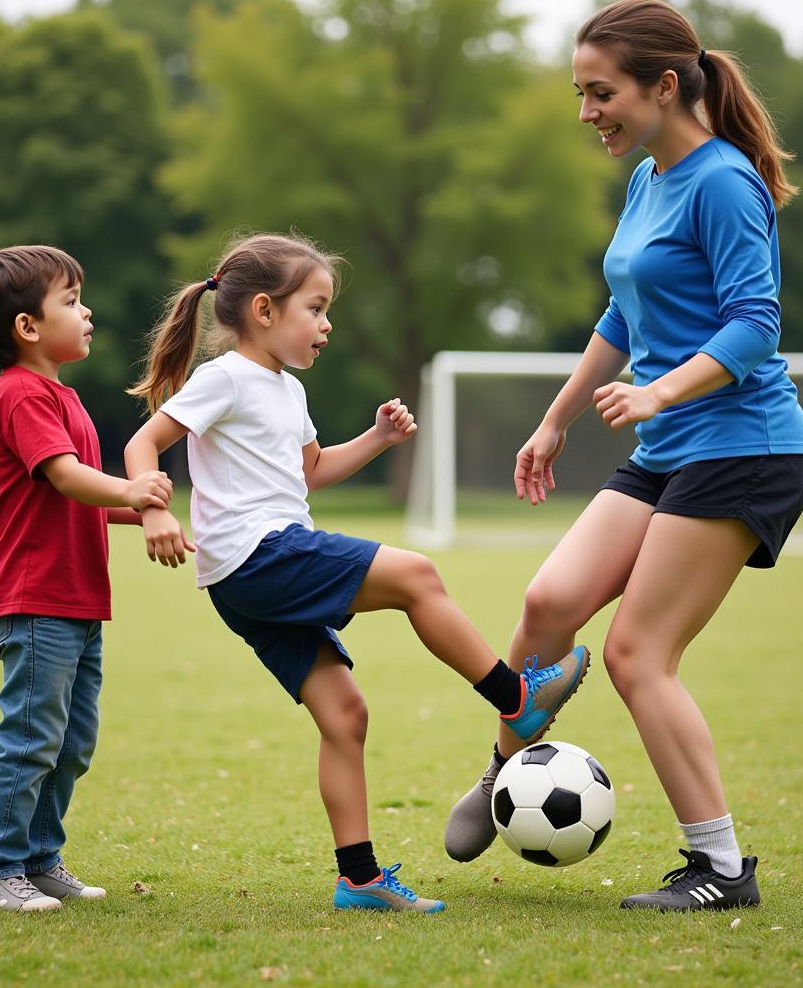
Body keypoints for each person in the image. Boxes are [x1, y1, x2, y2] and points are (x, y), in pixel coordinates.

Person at [444, 0, 803, 912]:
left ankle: (722, 870)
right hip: (674, 445)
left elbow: (755, 326)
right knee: (549, 602)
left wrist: (656, 392)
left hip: (743, 446)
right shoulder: (650, 176)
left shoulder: (724, 181)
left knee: (638, 654)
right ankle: (503, 773)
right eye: (579, 93)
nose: (585, 113)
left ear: (664, 84)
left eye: (599, 92)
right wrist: (557, 417)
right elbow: (623, 316)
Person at [123, 232, 589, 913]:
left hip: (249, 579)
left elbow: (312, 472)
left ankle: (360, 878)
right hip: (261, 555)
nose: (326, 324)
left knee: (345, 716)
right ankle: (515, 698)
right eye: (314, 308)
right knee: (417, 576)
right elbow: (144, 443)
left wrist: (378, 438)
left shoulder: (284, 389)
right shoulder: (223, 378)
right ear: (263, 310)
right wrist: (154, 510)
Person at [0, 245, 182, 912]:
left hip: (78, 599)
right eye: (72, 301)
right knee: (31, 737)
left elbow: (73, 496)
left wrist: (133, 511)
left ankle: (36, 857)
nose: (88, 313)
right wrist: (136, 489)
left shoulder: (60, 396)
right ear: (28, 326)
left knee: (71, 740)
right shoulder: (21, 394)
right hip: (36, 598)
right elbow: (63, 476)